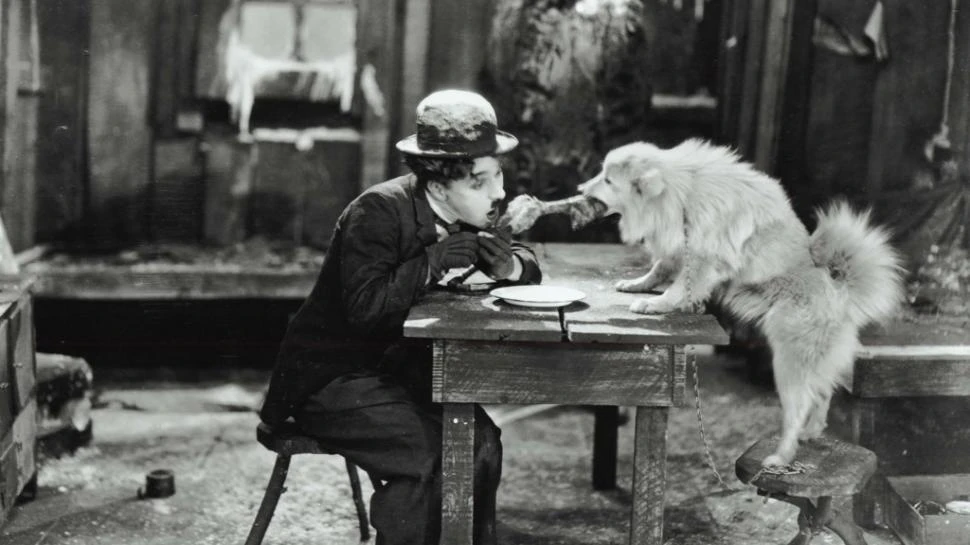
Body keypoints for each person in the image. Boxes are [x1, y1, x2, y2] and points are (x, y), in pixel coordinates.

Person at [259, 89, 542, 545]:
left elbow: (527, 258)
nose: (499, 192)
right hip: (329, 380)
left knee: (482, 441)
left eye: (498, 176)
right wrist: (432, 262)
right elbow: (365, 310)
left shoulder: (468, 209)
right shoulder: (376, 212)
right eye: (480, 182)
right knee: (430, 456)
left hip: (394, 372)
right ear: (437, 187)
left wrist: (509, 265)